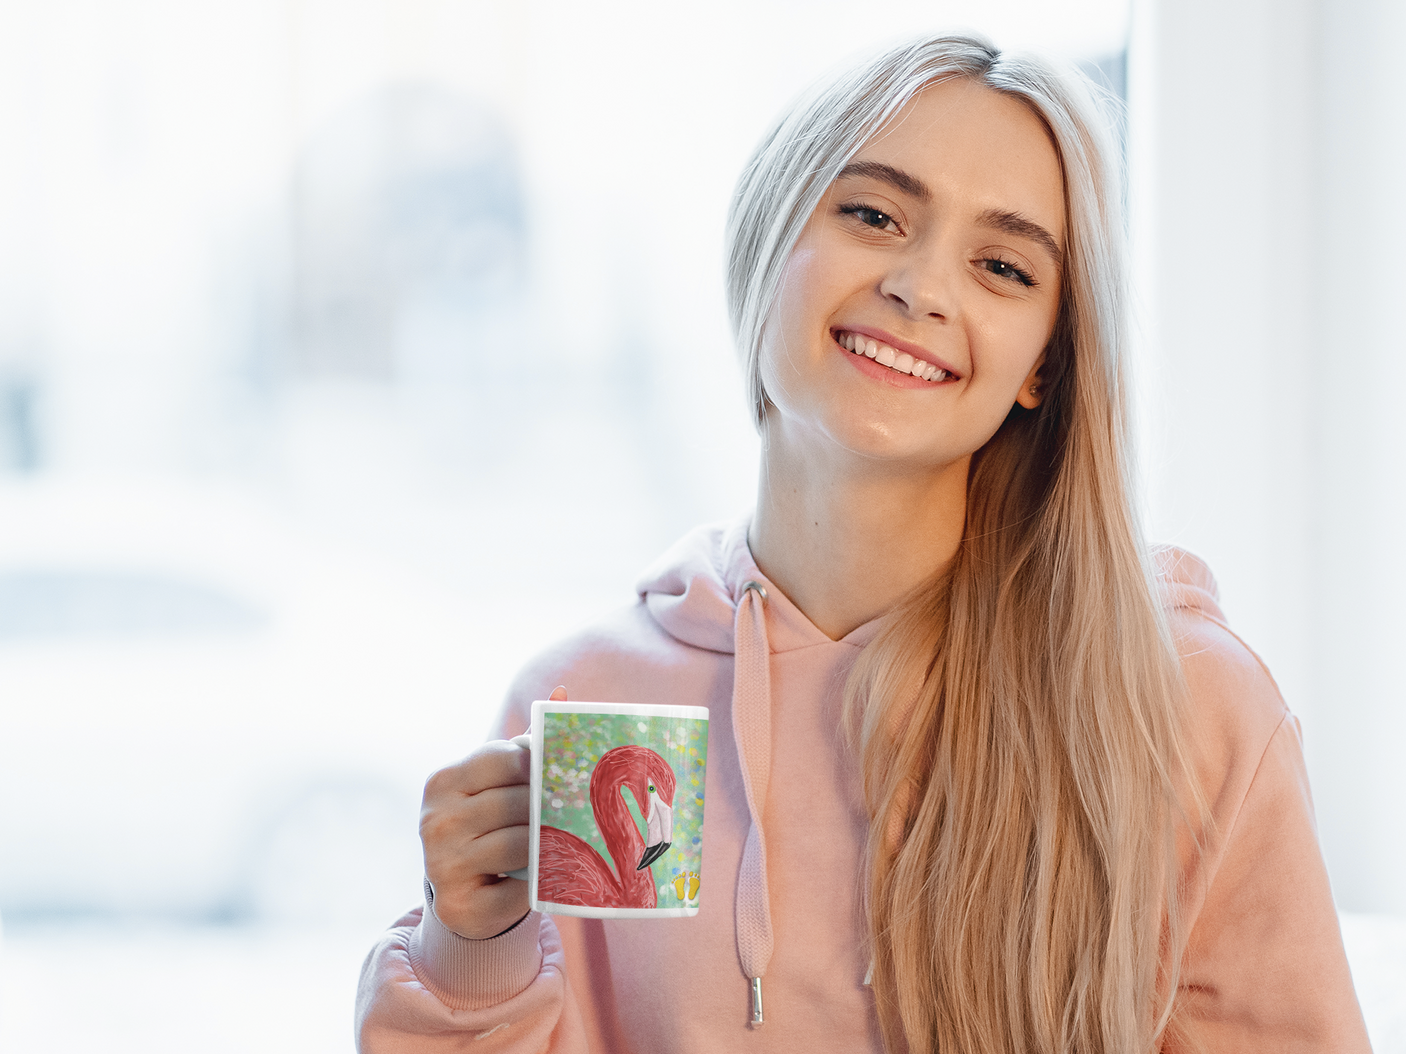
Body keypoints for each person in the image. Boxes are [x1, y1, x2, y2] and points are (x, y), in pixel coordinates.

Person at [356, 33, 1370, 1053]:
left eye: (1002, 265)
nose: (922, 287)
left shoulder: (1182, 705)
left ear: (1041, 366)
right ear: (767, 239)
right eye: (873, 214)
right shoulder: (590, 699)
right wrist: (473, 948)